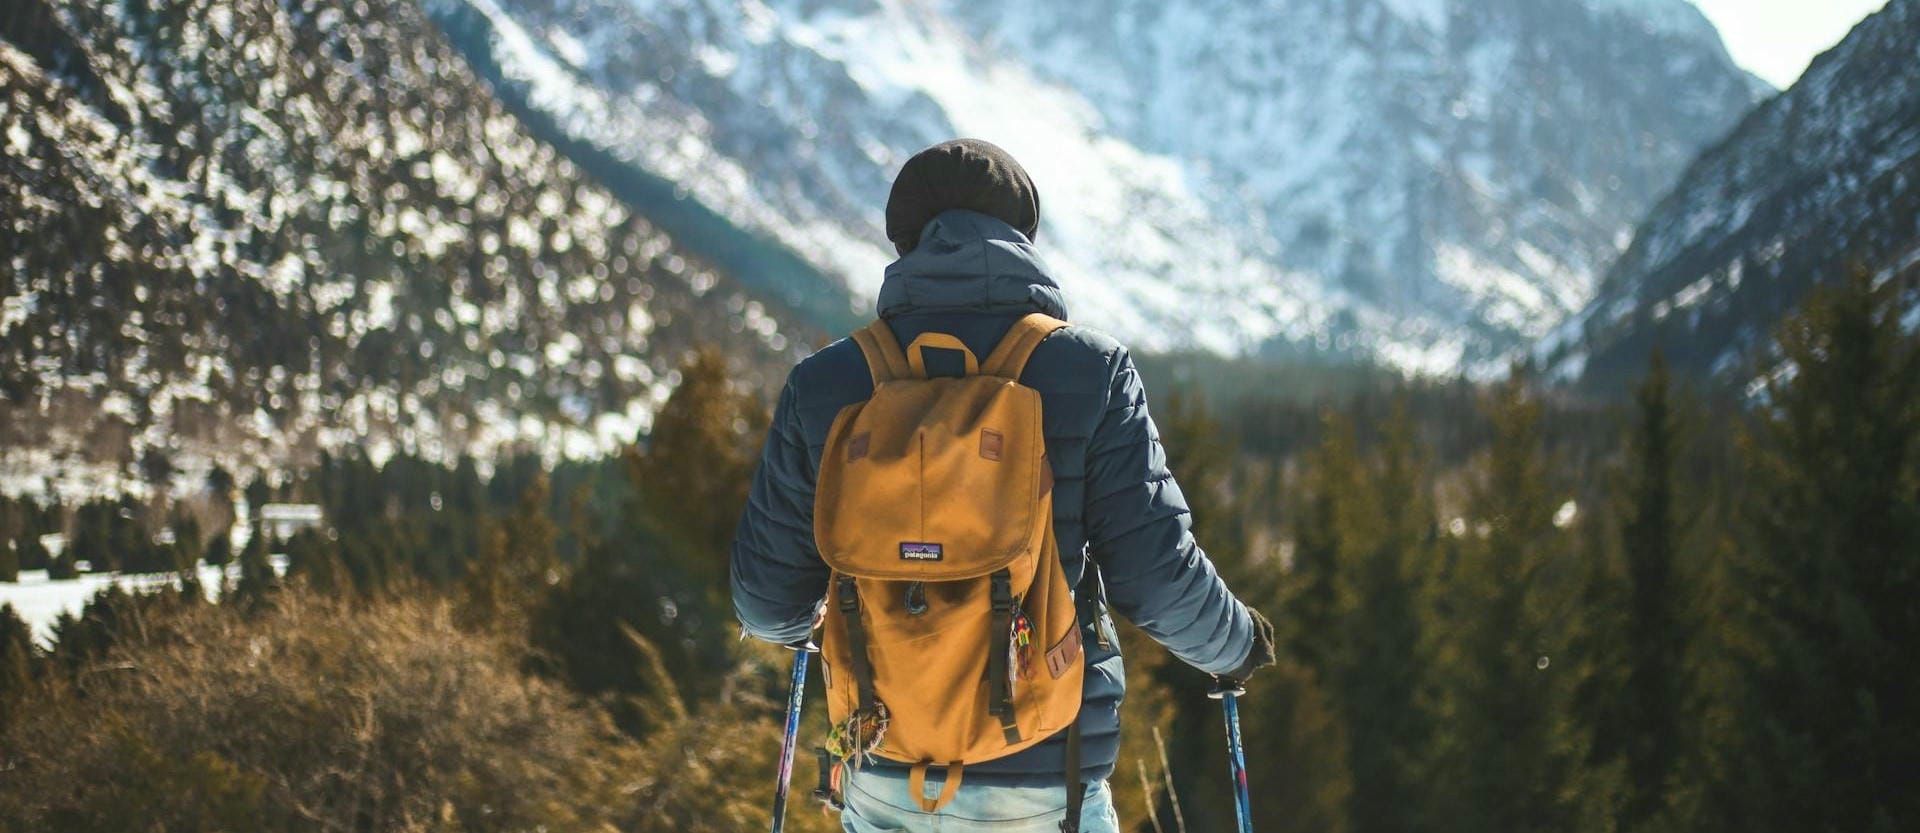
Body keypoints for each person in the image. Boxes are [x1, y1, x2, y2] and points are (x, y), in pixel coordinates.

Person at [731, 138, 1275, 833]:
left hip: (884, 769)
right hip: (1044, 777)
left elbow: (766, 602)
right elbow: (1157, 577)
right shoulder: (1089, 371)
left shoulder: (827, 384)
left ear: (905, 241)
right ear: (1023, 236)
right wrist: (1235, 645)